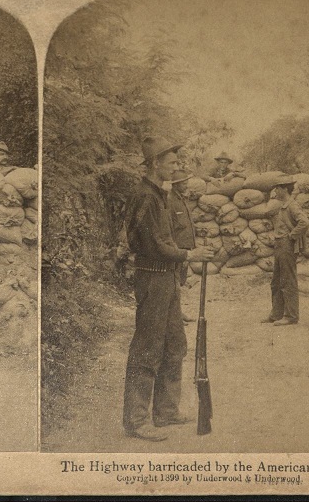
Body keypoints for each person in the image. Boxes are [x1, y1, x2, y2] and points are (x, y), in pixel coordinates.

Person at [122, 137, 216, 442]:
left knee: (175, 344)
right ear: (155, 164)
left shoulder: (160, 194)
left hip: (169, 278)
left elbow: (169, 238)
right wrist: (189, 255)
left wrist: (187, 251)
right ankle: (136, 420)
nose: (177, 166)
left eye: (178, 161)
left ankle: (165, 411)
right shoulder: (145, 197)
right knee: (147, 347)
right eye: (172, 161)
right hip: (152, 278)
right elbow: (153, 245)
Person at [261, 175, 309, 326]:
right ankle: (276, 314)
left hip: (286, 245)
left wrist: (291, 236)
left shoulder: (292, 205)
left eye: (278, 188)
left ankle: (291, 316)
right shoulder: (283, 205)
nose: (275, 190)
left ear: (284, 189)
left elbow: (305, 222)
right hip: (280, 245)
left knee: (288, 281)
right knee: (276, 282)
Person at [167, 170, 196, 287]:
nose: (187, 186)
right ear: (176, 185)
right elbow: (168, 226)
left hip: (185, 246)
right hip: (178, 247)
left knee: (181, 278)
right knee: (175, 278)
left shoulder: (182, 199)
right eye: (184, 184)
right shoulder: (170, 201)